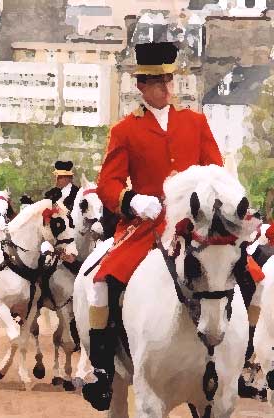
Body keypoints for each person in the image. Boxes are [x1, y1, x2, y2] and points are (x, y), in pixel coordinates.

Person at [82, 41, 226, 411]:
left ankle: (242, 358)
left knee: (250, 276)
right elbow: (108, 184)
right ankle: (102, 369)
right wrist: (131, 201)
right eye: (157, 82)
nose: (166, 88)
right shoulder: (125, 130)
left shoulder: (194, 122)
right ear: (141, 86)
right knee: (101, 284)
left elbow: (215, 170)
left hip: (190, 225)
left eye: (168, 80)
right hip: (145, 226)